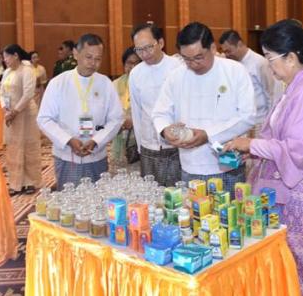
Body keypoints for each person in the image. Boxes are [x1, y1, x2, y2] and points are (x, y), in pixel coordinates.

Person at [224, 19, 303, 296]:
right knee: (285, 257)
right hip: (288, 185)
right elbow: (277, 135)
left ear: (291, 57)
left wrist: (252, 142)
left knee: (301, 260)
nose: (269, 67)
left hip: (302, 189)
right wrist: (252, 149)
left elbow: (297, 150)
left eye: (271, 59)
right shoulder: (295, 85)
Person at [153, 22, 255, 194]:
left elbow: (248, 116)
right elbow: (160, 112)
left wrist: (208, 135)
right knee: (193, 210)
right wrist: (165, 130)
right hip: (190, 166)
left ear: (213, 48)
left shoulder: (235, 71)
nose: (193, 64)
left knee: (229, 210)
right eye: (186, 59)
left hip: (228, 166)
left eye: (198, 57)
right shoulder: (176, 77)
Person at [37, 34, 123, 189]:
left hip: (96, 155)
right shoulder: (58, 83)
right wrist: (68, 140)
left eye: (98, 59)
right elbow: (44, 119)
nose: (93, 63)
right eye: (88, 57)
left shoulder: (105, 84)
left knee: (98, 197)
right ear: (76, 54)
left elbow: (116, 118)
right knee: (69, 199)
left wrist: (97, 141)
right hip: (67, 156)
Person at [129, 23, 184, 186]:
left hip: (176, 145)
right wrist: (141, 147)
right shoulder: (136, 73)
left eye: (148, 47)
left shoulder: (178, 67)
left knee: (177, 193)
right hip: (148, 146)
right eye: (139, 50)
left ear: (160, 43)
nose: (144, 54)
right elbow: (136, 112)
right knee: (150, 192)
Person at [219, 29, 279, 135]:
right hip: (240, 122)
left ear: (239, 44)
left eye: (229, 51)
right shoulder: (233, 64)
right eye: (225, 52)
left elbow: (271, 93)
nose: (227, 55)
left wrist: (270, 122)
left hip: (260, 122)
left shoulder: (259, 62)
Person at [0, 44, 42, 196]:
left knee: (29, 147)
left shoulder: (27, 70)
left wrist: (15, 111)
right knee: (14, 148)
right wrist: (6, 109)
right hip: (11, 115)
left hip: (26, 114)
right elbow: (1, 93)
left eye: (7, 56)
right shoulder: (7, 72)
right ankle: (16, 183)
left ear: (15, 55)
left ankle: (31, 182)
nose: (5, 60)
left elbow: (28, 94)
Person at [109, 47, 141, 175]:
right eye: (129, 63)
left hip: (139, 140)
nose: (133, 67)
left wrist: (134, 121)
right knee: (119, 176)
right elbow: (109, 111)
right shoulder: (115, 84)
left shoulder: (147, 85)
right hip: (119, 139)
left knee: (138, 176)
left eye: (137, 63)